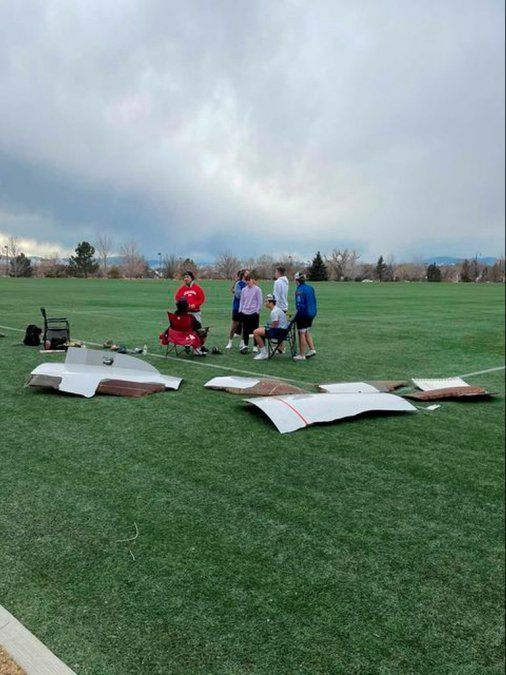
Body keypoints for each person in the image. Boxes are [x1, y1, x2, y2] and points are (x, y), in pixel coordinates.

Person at [252, 294, 288, 360]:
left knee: (256, 332)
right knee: (260, 329)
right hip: (282, 331)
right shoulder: (276, 309)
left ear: (271, 302)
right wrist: (264, 327)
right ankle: (266, 351)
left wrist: (265, 327)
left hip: (278, 332)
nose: (265, 303)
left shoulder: (274, 312)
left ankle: (263, 353)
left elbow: (274, 326)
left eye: (266, 301)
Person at [293, 272, 317, 360]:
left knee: (301, 333)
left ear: (297, 280)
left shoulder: (299, 290)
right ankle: (312, 349)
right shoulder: (310, 288)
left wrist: (296, 317)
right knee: (306, 331)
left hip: (304, 314)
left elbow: (300, 305)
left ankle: (302, 354)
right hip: (312, 312)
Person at [238, 272, 262, 354]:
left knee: (255, 330)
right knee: (245, 330)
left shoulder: (257, 289)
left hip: (254, 313)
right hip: (245, 312)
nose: (248, 282)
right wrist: (240, 310)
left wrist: (257, 311)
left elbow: (259, 301)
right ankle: (245, 345)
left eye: (249, 280)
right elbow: (242, 301)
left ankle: (255, 346)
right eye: (246, 281)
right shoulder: (244, 290)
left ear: (252, 280)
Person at [225, 269, 247, 350]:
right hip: (237, 307)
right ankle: (230, 342)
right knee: (234, 326)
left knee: (245, 326)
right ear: (243, 275)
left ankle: (242, 342)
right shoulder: (239, 283)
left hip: (246, 308)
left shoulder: (249, 283)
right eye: (247, 273)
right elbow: (238, 295)